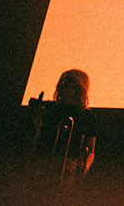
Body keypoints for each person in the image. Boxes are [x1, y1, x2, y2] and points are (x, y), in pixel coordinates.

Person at [29, 69, 97, 202]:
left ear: (79, 87)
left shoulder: (87, 116)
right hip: (45, 163)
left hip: (69, 168)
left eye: (69, 81)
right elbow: (38, 140)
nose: (64, 84)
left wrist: (84, 168)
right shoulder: (50, 109)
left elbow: (91, 150)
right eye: (62, 81)